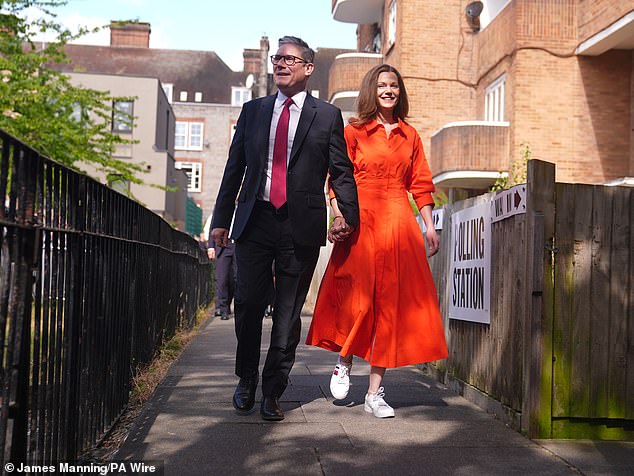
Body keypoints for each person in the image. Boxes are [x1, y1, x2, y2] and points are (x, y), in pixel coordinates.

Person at [211, 36, 359, 421]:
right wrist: (220, 221)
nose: (280, 63)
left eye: (289, 59)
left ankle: (273, 390)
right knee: (246, 305)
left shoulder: (326, 116)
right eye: (277, 58)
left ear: (308, 68)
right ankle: (246, 379)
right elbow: (234, 169)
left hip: (301, 225)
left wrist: (350, 217)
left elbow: (341, 172)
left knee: (289, 313)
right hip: (255, 219)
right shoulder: (253, 111)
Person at [306, 64, 448, 418]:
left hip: (399, 223)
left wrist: (429, 226)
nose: (388, 90)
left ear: (400, 92)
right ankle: (344, 360)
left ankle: (375, 392)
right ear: (372, 90)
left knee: (389, 308)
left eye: (394, 86)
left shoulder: (410, 135)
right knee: (359, 300)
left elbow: (421, 184)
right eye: (382, 85)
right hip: (362, 220)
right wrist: (340, 215)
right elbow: (336, 178)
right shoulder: (353, 131)